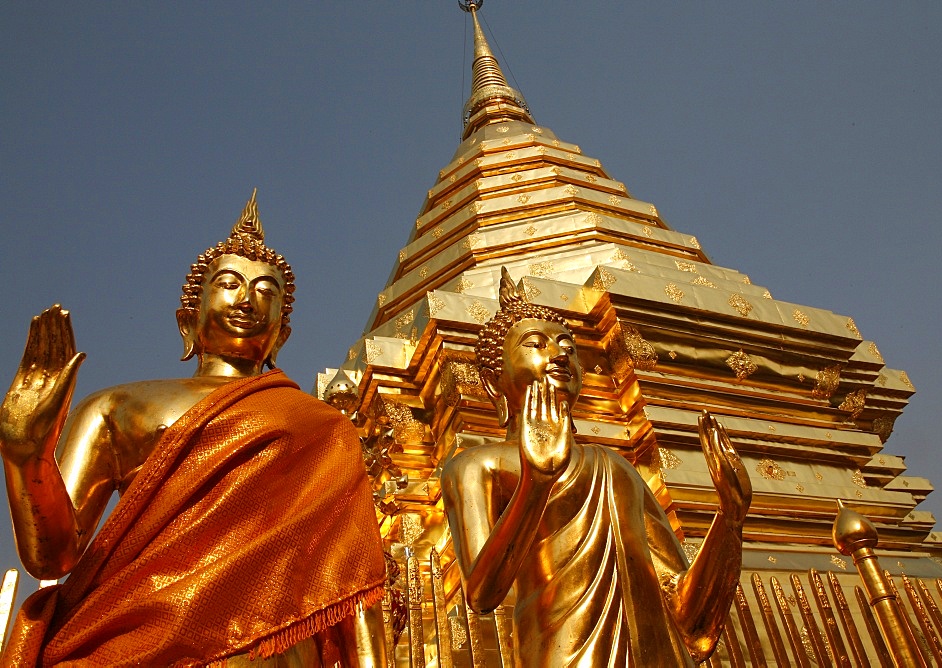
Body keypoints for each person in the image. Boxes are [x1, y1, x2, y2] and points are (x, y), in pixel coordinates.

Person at [1, 191, 386, 666]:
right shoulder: (117, 406)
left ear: (281, 337)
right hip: (128, 640)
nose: (248, 299)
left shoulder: (321, 428)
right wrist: (25, 456)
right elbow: (52, 558)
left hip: (266, 646)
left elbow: (351, 583)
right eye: (229, 283)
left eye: (267, 293)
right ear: (188, 317)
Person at [442, 268, 752, 666]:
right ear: (492, 381)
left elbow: (688, 615)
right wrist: (535, 483)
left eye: (568, 346)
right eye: (535, 344)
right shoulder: (476, 466)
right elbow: (482, 593)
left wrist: (730, 521)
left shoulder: (616, 467)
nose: (559, 355)